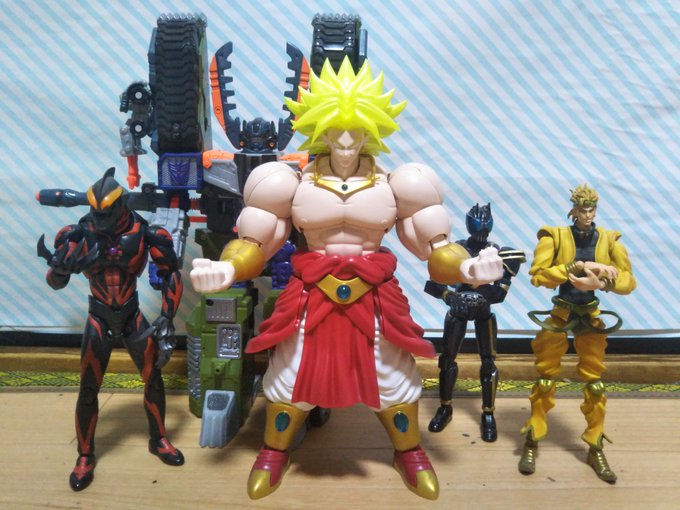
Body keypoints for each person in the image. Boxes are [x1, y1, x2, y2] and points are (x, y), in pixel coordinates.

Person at [191, 57, 502, 500]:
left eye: (355, 130)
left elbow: (435, 246)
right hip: (310, 294)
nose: (344, 141)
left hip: (373, 296)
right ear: (317, 129)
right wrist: (228, 267)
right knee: (290, 376)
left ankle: (409, 451)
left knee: (391, 377)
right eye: (334, 129)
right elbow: (256, 240)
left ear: (373, 130)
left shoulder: (400, 183)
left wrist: (467, 268)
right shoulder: (286, 182)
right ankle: (274, 451)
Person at [39, 168, 184, 491]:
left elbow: (171, 273)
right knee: (89, 387)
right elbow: (55, 283)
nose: (99, 219)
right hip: (99, 317)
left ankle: (159, 439)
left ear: (121, 205)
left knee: (153, 378)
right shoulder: (77, 233)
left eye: (106, 213)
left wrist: (167, 316)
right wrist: (60, 270)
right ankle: (85, 455)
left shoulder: (146, 233)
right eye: (96, 212)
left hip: (132, 315)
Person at [518, 184, 636, 483]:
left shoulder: (609, 240)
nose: (587, 215)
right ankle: (532, 438)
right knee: (545, 378)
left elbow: (628, 281)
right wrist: (575, 266)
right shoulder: (555, 236)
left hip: (590, 315)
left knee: (595, 384)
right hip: (561, 312)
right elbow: (538, 276)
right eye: (582, 209)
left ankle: (595, 446)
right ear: (574, 210)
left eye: (591, 209)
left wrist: (602, 281)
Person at [426, 203, 525, 441]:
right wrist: (450, 296)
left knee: (488, 362)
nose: (481, 230)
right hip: (458, 310)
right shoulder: (455, 249)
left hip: (483, 311)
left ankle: (488, 413)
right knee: (447, 359)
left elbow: (499, 294)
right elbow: (433, 283)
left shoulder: (497, 252)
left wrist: (481, 294)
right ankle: (445, 406)